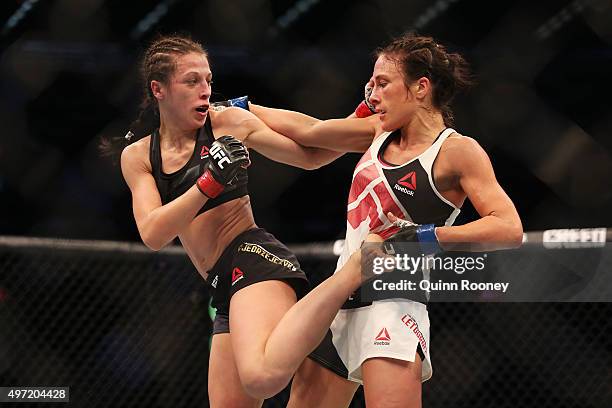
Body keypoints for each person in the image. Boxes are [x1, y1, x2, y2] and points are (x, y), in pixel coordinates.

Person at [105, 34, 386, 407]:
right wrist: (209, 183)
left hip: (253, 259)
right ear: (159, 89)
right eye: (191, 81)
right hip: (222, 285)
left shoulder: (228, 123)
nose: (205, 90)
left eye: (208, 80)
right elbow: (154, 232)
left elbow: (311, 155)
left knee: (262, 378)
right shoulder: (139, 156)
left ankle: (348, 278)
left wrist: (363, 113)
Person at [250, 33, 523, 407]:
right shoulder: (378, 131)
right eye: (370, 84)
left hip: (391, 302)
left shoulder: (457, 151)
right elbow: (310, 131)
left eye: (383, 84)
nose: (372, 95)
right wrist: (240, 108)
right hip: (339, 299)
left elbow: (508, 227)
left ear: (420, 88)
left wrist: (424, 237)